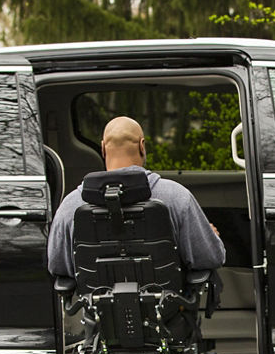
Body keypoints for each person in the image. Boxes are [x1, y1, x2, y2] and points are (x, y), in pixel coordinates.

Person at [47, 116, 225, 278]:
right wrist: (209, 236)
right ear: (142, 145)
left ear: (103, 148)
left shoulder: (71, 205)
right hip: (168, 309)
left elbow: (57, 266)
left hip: (98, 312)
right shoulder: (176, 196)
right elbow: (211, 258)